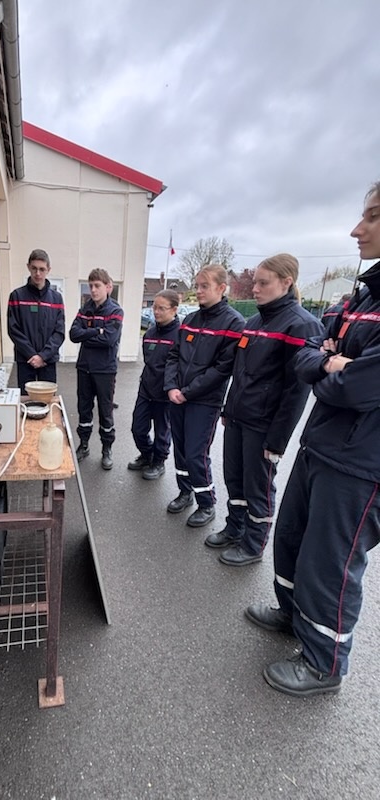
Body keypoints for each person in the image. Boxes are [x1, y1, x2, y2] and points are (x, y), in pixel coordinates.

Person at [245, 182, 380, 696]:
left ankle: (324, 662)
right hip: (322, 443)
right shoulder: (364, 295)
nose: (355, 229)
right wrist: (329, 358)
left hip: (361, 463)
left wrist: (331, 363)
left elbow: (353, 386)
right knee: (293, 536)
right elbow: (312, 357)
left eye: (370, 217)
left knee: (333, 562)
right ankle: (291, 614)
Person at [205, 254, 323, 565]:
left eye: (263, 282)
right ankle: (235, 528)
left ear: (287, 282)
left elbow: (296, 391)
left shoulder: (302, 325)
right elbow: (240, 373)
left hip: (264, 425)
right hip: (239, 418)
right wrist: (228, 410)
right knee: (235, 479)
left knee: (258, 487)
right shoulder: (253, 323)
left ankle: (254, 545)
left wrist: (278, 440)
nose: (254, 288)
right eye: (255, 281)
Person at [163, 265, 245, 526]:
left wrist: (186, 392)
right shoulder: (189, 320)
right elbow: (174, 356)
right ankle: (185, 491)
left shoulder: (233, 323)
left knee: (196, 452)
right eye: (196, 285)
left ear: (221, 288)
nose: (197, 291)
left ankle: (206, 503)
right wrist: (171, 387)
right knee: (181, 448)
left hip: (203, 401)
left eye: (204, 286)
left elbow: (222, 370)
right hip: (177, 396)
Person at [69, 268, 124, 470]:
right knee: (84, 409)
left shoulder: (115, 311)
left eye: (97, 286)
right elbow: (73, 334)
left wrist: (87, 334)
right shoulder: (85, 308)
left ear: (108, 287)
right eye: (90, 286)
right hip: (84, 368)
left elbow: (109, 339)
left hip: (104, 370)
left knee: (105, 411)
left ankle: (106, 449)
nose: (93, 290)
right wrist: (96, 331)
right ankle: (84, 445)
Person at [128, 289, 181, 480]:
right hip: (146, 390)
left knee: (162, 432)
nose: (156, 312)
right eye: (154, 307)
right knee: (137, 428)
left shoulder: (180, 335)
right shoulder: (149, 333)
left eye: (162, 308)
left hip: (165, 395)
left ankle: (158, 462)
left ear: (174, 310)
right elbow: (149, 362)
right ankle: (147, 454)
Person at [7, 249, 65, 389]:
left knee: (47, 401)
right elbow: (13, 329)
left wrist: (43, 356)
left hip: (48, 362)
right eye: (34, 268)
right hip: (25, 360)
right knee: (26, 402)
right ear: (28, 267)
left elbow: (59, 332)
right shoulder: (17, 296)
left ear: (48, 270)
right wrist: (32, 355)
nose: (38, 273)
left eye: (42, 269)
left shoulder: (56, 299)